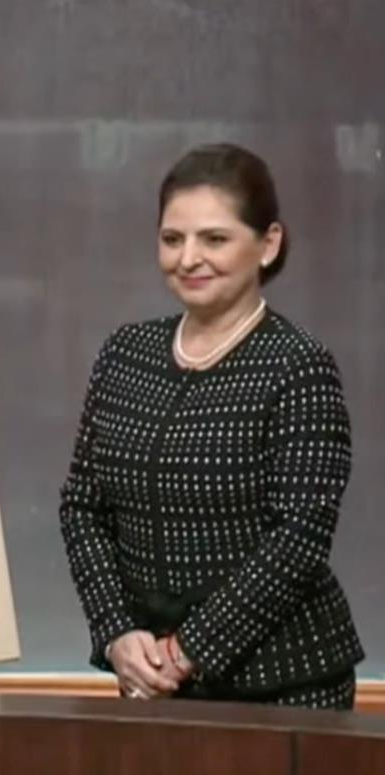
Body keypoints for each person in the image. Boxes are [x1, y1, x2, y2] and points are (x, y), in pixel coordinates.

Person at [59, 143, 364, 709]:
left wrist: (186, 652)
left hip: (284, 689)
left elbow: (300, 535)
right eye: (173, 239)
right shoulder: (126, 353)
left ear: (268, 244)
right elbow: (82, 507)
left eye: (214, 239)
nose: (189, 258)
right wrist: (117, 634)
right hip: (147, 681)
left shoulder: (299, 366)